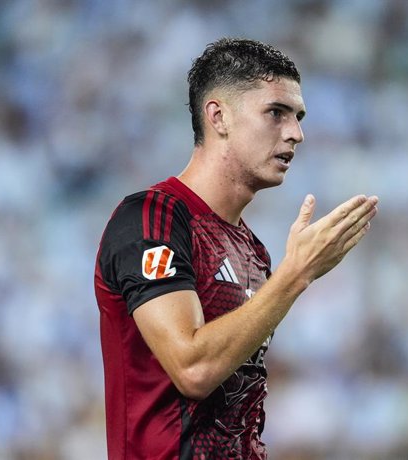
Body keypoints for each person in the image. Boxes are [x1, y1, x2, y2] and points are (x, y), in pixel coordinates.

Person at [94, 37, 378, 459]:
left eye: (298, 117)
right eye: (276, 113)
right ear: (218, 115)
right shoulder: (153, 218)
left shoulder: (251, 250)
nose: (296, 134)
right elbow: (193, 369)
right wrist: (296, 273)